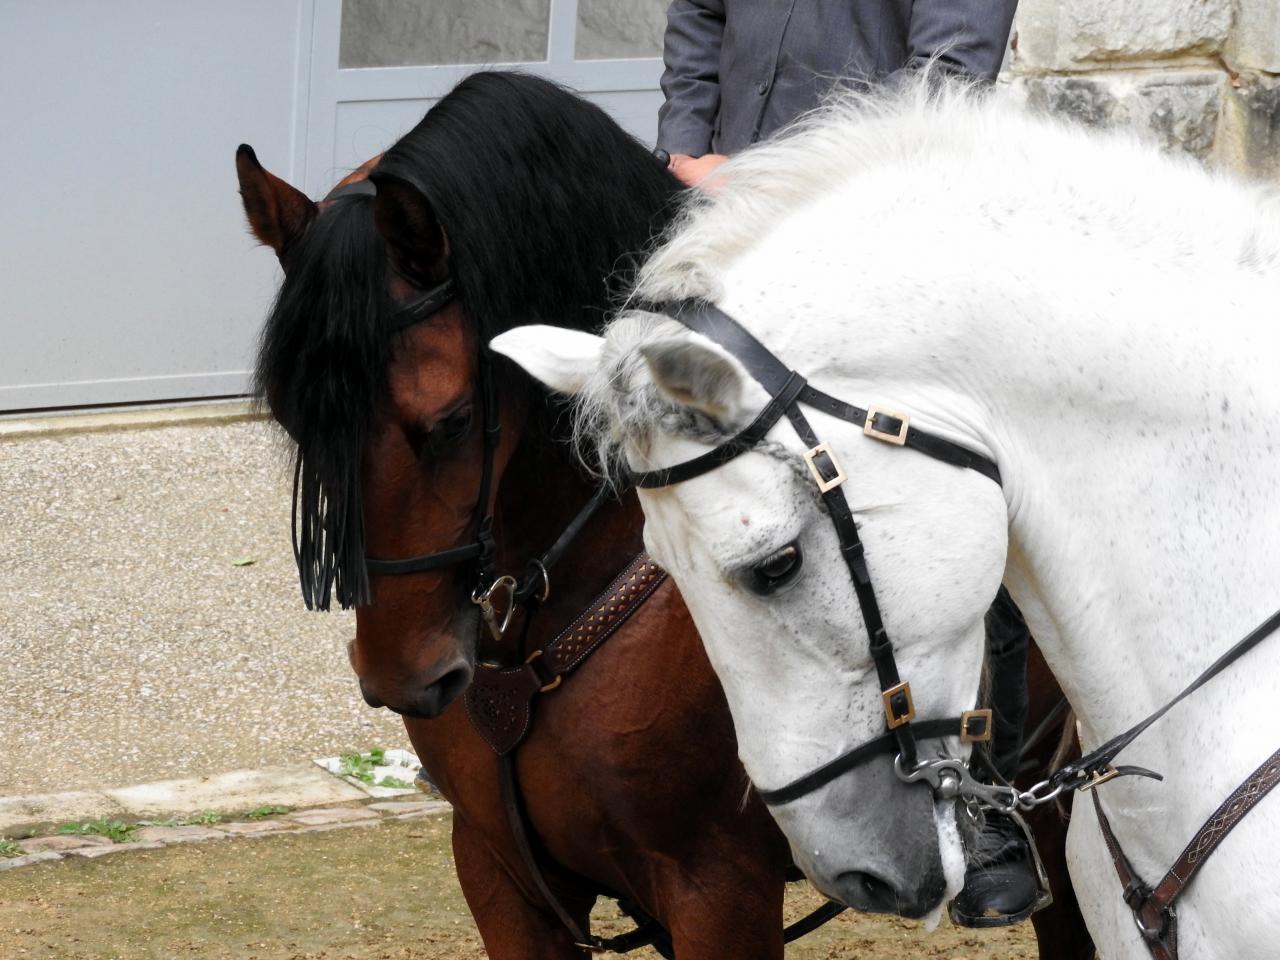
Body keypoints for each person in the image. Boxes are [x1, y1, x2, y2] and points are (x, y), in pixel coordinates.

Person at [655, 0, 1040, 930]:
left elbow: (946, 82)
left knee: (954, 501)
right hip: (722, 229)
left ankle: (985, 798)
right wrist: (687, 145)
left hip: (885, 250)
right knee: (694, 491)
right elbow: (698, 13)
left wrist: (789, 191)